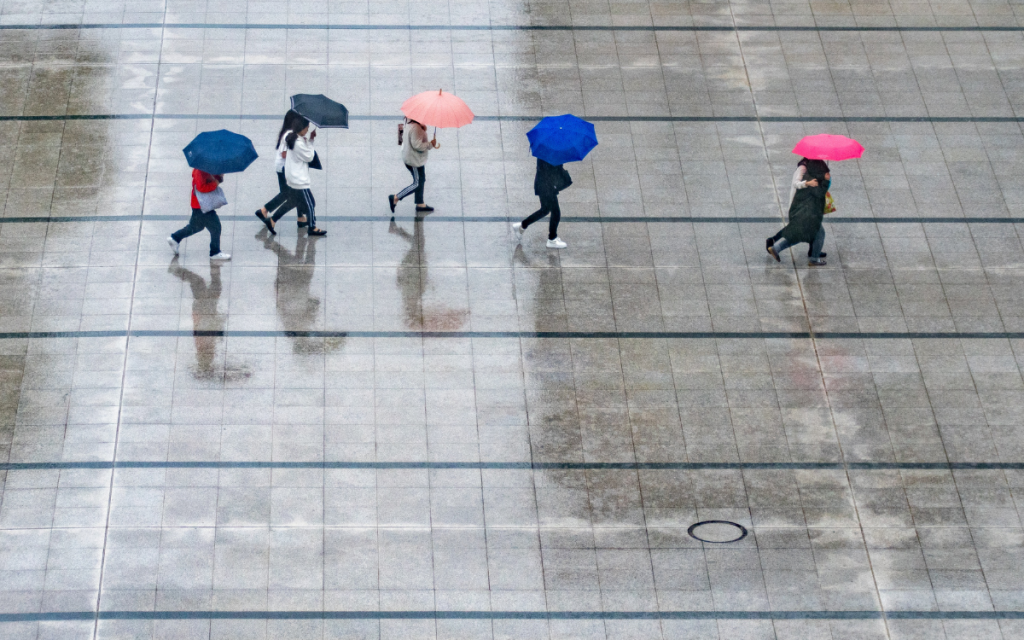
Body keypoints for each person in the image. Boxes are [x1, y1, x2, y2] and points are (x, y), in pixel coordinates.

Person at [767, 159, 830, 266]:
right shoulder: (810, 179)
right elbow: (818, 193)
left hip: (804, 210)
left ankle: (776, 248)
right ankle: (814, 258)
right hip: (805, 212)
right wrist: (826, 180)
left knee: (799, 234)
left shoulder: (809, 175)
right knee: (819, 233)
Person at [255, 109, 305, 234]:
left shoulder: (289, 132)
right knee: (293, 195)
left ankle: (265, 211)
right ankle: (270, 216)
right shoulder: (289, 133)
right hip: (285, 169)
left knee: (287, 193)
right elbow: (284, 154)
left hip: (283, 168)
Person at [167, 168, 231, 260]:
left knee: (195, 227)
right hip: (202, 205)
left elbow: (209, 178)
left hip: (199, 205)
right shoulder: (199, 171)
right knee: (216, 227)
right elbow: (201, 188)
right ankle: (215, 252)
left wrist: (219, 176)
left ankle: (175, 238)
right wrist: (215, 183)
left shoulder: (204, 168)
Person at [511, 158, 571, 249]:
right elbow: (550, 169)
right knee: (555, 212)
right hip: (547, 186)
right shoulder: (549, 154)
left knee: (545, 209)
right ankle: (552, 239)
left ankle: (522, 226)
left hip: (544, 184)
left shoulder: (546, 152)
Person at [284, 117, 327, 236]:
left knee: (302, 202)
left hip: (295, 178)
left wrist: (311, 139)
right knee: (310, 204)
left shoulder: (295, 139)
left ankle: (302, 220)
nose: (308, 129)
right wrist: (311, 143)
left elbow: (305, 149)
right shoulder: (298, 143)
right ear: (301, 128)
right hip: (299, 180)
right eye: (307, 127)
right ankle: (312, 227)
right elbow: (309, 156)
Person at [388, 118, 438, 214]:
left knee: (421, 178)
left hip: (415, 157)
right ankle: (395, 197)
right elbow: (417, 145)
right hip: (413, 159)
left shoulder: (410, 122)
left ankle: (420, 203)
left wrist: (422, 128)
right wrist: (430, 144)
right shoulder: (416, 127)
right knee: (417, 183)